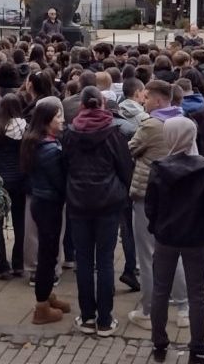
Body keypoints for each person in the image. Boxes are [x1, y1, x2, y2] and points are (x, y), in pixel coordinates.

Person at [146, 117, 204, 364]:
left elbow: (151, 205)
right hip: (196, 238)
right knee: (196, 294)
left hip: (166, 237)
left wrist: (156, 226)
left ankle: (158, 340)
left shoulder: (159, 167)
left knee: (160, 290)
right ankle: (198, 346)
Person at [62, 86, 134, 337]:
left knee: (83, 261)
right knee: (104, 261)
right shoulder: (114, 134)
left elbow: (65, 166)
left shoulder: (70, 133)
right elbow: (125, 168)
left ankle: (88, 316)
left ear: (81, 105)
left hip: (79, 202)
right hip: (108, 202)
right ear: (102, 104)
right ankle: (105, 318)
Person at [128, 80, 190, 330]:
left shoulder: (152, 125)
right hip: (176, 195)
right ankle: (184, 306)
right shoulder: (185, 122)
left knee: (148, 253)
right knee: (174, 250)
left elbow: (131, 148)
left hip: (148, 193)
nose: (144, 101)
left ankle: (149, 310)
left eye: (147, 97)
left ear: (157, 100)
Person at [21, 100, 72, 324]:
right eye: (58, 117)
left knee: (48, 252)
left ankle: (47, 294)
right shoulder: (49, 150)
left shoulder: (37, 142)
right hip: (48, 203)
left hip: (42, 201)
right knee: (47, 255)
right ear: (46, 121)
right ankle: (41, 307)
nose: (62, 120)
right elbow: (60, 181)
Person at [0, 93, 28, 279]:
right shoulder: (26, 128)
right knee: (20, 223)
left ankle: (0, 265)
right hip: (21, 179)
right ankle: (18, 263)